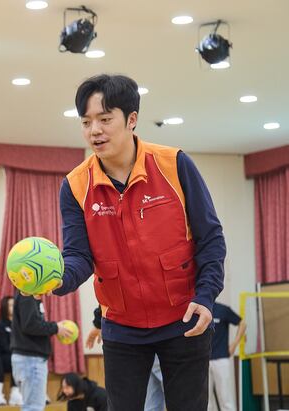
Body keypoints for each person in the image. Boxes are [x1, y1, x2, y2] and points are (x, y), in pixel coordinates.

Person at [52, 74, 226, 410]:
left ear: (131, 119)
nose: (94, 131)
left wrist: (206, 297)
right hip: (122, 327)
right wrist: (56, 278)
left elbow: (211, 238)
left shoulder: (174, 164)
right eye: (86, 122)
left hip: (184, 319)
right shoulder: (75, 186)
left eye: (105, 119)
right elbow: (78, 256)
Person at [86, 307, 165, 411]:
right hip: (137, 338)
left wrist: (98, 322)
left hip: (154, 333)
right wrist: (98, 322)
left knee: (157, 397)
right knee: (151, 401)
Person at [11, 293, 72, 411]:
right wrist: (56, 327)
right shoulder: (27, 294)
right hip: (30, 360)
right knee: (34, 407)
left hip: (29, 359)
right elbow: (30, 325)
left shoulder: (29, 295)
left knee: (32, 406)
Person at [208, 302, 246, 411]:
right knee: (205, 400)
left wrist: (234, 344)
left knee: (225, 398)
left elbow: (242, 323)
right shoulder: (197, 310)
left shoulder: (223, 309)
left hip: (221, 359)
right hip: (202, 360)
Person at [0, 296, 23, 405]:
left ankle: (22, 392)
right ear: (5, 307)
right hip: (4, 357)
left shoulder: (20, 324)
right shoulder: (0, 325)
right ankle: (14, 392)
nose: (14, 307)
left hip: (18, 354)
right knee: (16, 359)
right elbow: (3, 346)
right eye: (10, 305)